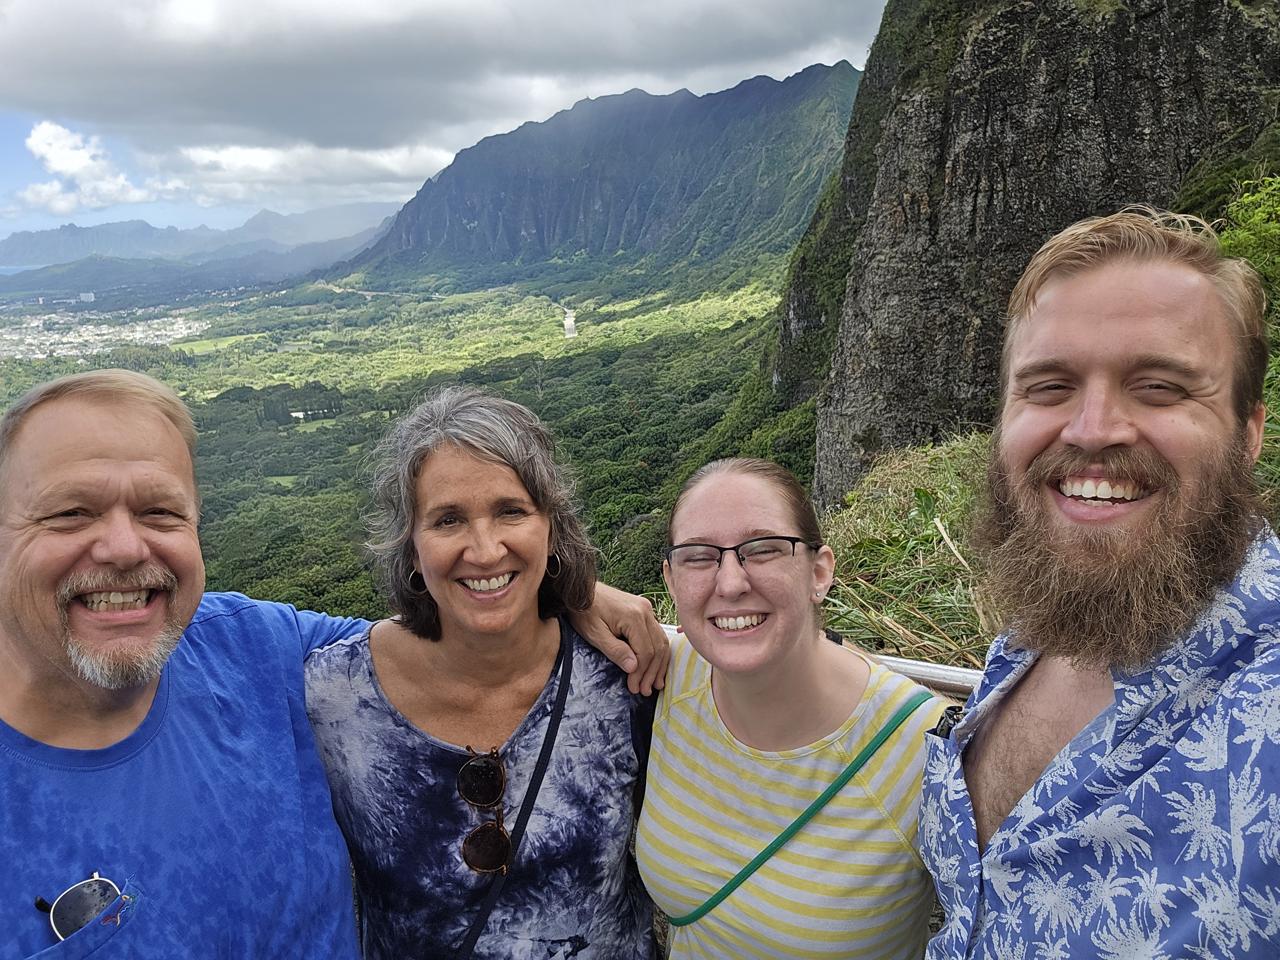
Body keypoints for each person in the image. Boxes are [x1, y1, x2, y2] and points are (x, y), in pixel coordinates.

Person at [0, 370, 666, 958]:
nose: (122, 547)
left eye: (160, 512)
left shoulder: (251, 652)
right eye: (70, 513)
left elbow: (456, 630)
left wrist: (571, 592)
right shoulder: (326, 688)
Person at [919, 207, 1280, 958]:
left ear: (1249, 433)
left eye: (1160, 387)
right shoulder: (1043, 616)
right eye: (1049, 387)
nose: (1091, 429)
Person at [304, 386, 653, 958]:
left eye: (511, 511)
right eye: (448, 520)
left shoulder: (625, 676)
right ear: (410, 548)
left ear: (551, 527)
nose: (486, 550)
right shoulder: (332, 699)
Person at [636, 458, 948, 959]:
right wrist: (589, 598)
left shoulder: (928, 749)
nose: (730, 583)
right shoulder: (664, 674)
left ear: (819, 572)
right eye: (699, 556)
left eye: (764, 549)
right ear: (671, 582)